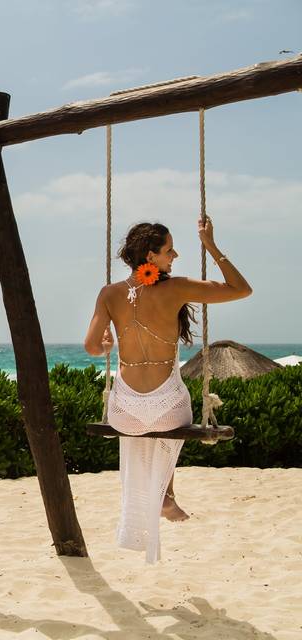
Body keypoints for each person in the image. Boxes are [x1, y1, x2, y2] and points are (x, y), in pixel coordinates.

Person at [83, 217, 251, 562]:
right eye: (168, 250)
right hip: (167, 411)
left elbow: (91, 348)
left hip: (123, 413)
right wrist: (212, 247)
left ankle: (162, 496)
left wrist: (105, 345)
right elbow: (241, 289)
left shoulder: (109, 294)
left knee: (145, 423)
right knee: (171, 415)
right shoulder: (176, 288)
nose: (175, 255)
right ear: (150, 255)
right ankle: (165, 494)